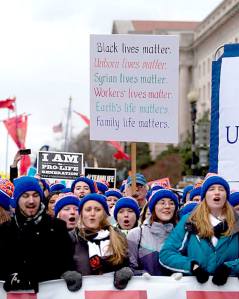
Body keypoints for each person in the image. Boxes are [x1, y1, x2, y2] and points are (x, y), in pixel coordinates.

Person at [0, 176, 82, 293]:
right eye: (25, 196)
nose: (31, 201)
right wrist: (11, 277)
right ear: (17, 199)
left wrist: (68, 273)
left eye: (35, 195)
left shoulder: (58, 227)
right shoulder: (5, 231)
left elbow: (66, 263)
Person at [159, 175, 239, 286]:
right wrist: (192, 266)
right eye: (211, 189)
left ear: (226, 196)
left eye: (221, 189)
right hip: (196, 291)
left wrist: (230, 267)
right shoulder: (190, 220)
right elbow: (166, 254)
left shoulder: (237, 222)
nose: (217, 192)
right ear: (204, 196)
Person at [70, 193, 133, 289]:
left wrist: (126, 271)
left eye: (98, 210)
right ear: (81, 213)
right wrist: (68, 274)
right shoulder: (72, 237)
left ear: (105, 214)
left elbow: (130, 263)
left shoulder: (118, 235)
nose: (92, 214)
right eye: (88, 210)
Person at [127, 189, 178, 276]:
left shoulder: (181, 237)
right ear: (153, 207)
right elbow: (129, 267)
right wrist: (142, 274)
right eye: (162, 203)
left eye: (171, 203)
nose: (167, 206)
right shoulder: (136, 235)